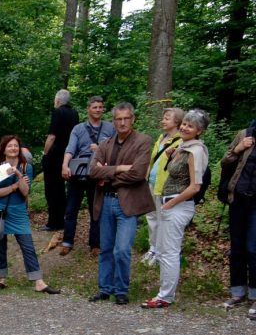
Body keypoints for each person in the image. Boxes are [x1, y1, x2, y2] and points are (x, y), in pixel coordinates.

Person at [141, 110, 209, 308]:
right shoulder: (183, 145)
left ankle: (165, 296)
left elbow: (195, 186)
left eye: (190, 126)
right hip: (168, 203)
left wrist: (171, 203)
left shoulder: (195, 151)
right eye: (184, 124)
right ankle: (164, 292)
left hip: (177, 206)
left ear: (199, 131)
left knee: (169, 252)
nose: (185, 127)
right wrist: (172, 153)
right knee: (162, 250)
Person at [88, 102, 153, 305]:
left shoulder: (143, 141)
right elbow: (92, 171)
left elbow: (138, 173)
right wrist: (119, 169)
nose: (123, 122)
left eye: (126, 118)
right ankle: (105, 289)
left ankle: (121, 290)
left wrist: (107, 173)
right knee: (105, 248)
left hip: (127, 203)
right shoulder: (106, 143)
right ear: (113, 121)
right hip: (105, 201)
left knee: (122, 249)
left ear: (133, 119)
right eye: (118, 119)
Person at [0, 135, 60, 294]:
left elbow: (26, 191)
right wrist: (14, 186)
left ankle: (39, 282)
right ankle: (1, 279)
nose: (13, 148)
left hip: (18, 210)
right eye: (10, 146)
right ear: (4, 149)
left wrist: (18, 175)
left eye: (16, 146)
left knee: (27, 245)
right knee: (0, 246)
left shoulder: (25, 167)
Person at [59, 96, 115, 256]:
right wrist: (64, 165)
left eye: (100, 107)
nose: (98, 110)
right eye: (94, 107)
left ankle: (95, 244)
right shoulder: (78, 129)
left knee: (95, 210)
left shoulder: (110, 128)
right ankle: (67, 241)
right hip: (78, 172)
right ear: (88, 109)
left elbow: (115, 151)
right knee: (70, 209)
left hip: (97, 174)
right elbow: (70, 149)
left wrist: (99, 148)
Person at [220, 118, 256, 311]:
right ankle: (238, 291)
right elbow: (225, 162)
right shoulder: (244, 134)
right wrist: (238, 148)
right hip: (238, 199)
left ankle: (255, 294)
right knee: (237, 247)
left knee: (253, 248)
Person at [143, 107, 184, 265]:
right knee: (151, 217)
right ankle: (153, 248)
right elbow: (153, 160)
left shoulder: (181, 142)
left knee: (162, 219)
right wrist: (145, 178)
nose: (163, 120)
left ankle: (161, 252)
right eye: (164, 117)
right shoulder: (161, 137)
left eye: (167, 118)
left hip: (165, 187)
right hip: (152, 183)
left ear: (176, 122)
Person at [41, 90, 79, 231]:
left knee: (52, 189)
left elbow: (52, 136)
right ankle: (63, 219)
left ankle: (53, 222)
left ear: (57, 100)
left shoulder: (58, 112)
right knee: (62, 190)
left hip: (55, 156)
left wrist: (45, 154)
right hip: (69, 155)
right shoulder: (74, 113)